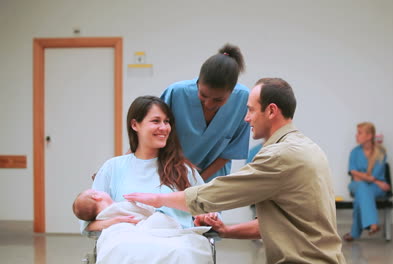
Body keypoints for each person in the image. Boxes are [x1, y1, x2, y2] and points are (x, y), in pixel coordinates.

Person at [125, 78, 346, 264]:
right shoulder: (308, 147)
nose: (246, 117)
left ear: (271, 111)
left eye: (250, 110)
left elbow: (217, 194)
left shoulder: (280, 156)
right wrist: (225, 231)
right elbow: (275, 224)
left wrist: (159, 199)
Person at [81, 95, 210, 234]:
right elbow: (88, 225)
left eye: (166, 122)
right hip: (129, 244)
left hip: (177, 243)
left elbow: (207, 211)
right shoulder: (112, 168)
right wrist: (117, 222)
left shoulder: (183, 170)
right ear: (135, 125)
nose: (164, 127)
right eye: (156, 121)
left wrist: (205, 218)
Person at [161, 43, 250, 182]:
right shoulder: (176, 93)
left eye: (218, 100)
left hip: (212, 179)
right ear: (198, 83)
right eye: (203, 95)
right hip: (171, 173)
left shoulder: (243, 100)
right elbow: (153, 133)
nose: (209, 104)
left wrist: (198, 182)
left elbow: (231, 150)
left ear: (232, 91)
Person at [343, 122, 390, 242]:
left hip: (375, 188)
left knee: (362, 192)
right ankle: (373, 224)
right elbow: (353, 172)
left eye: (359, 133)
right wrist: (371, 179)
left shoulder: (381, 153)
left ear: (369, 136)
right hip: (361, 185)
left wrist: (362, 176)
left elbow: (369, 176)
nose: (356, 135)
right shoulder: (354, 152)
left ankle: (354, 233)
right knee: (362, 187)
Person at [73, 189, 183, 230]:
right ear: (96, 197)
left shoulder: (101, 218)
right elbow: (147, 212)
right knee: (160, 218)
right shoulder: (122, 206)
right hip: (144, 227)